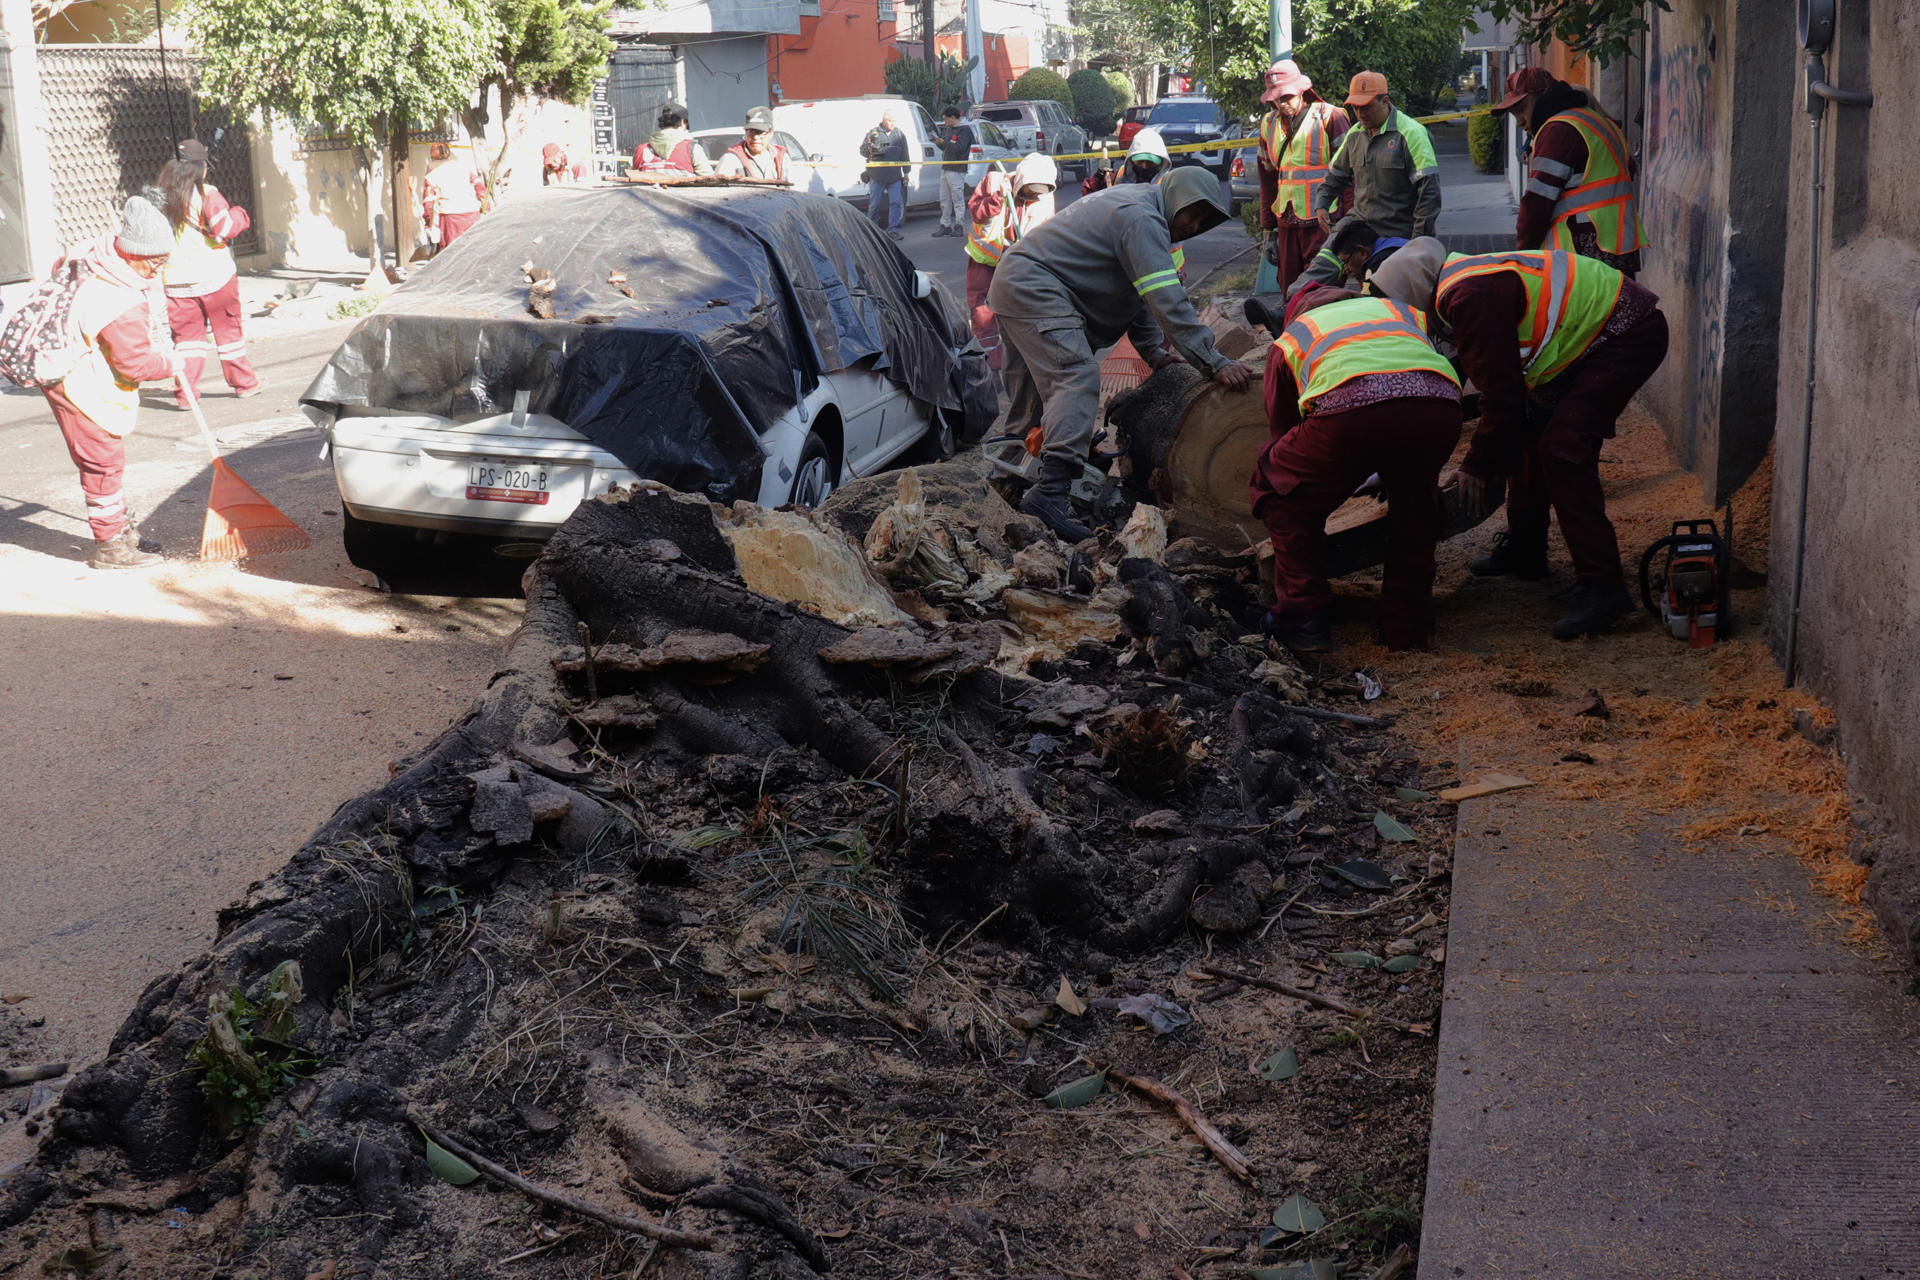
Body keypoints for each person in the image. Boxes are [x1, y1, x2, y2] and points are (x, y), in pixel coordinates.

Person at [1370, 240, 1670, 639]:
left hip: (1624, 335)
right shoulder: (1463, 282)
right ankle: (1526, 550)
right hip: (1598, 338)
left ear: (1412, 299)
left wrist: (1476, 465)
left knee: (1564, 451)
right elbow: (1475, 389)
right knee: (1531, 441)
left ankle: (1603, 586)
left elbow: (1502, 400)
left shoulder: (1467, 296)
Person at [988, 166, 1251, 541]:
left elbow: (1140, 295)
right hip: (1034, 286)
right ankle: (1050, 494)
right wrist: (1214, 361)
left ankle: (1006, 487)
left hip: (1016, 283)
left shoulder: (1139, 209)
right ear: (1175, 196)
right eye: (1193, 211)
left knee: (1030, 398)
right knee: (1076, 377)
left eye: (1204, 220)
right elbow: (1165, 299)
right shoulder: (1141, 217)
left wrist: (1153, 354)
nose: (1194, 225)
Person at [1252, 283, 1463, 653]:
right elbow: (1405, 388)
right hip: (1441, 404)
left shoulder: (1292, 337)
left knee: (1277, 487)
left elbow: (1284, 436)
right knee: (1415, 504)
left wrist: (1326, 484)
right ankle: (1407, 628)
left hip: (1351, 408)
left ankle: (1303, 618)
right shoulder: (1398, 312)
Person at [43, 195, 184, 569]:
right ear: (133, 252)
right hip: (72, 376)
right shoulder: (119, 300)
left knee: (106, 457)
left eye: (164, 260)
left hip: (67, 354)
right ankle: (110, 547)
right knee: (102, 460)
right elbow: (133, 365)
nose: (159, 269)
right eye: (155, 261)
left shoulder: (97, 252)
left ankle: (120, 530)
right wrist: (171, 362)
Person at [1493, 67, 1647, 274]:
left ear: (1542, 96)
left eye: (1521, 109)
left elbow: (1536, 204)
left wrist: (1524, 255)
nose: (1520, 121)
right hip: (1616, 248)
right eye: (1514, 114)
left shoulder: (1559, 130)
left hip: (1584, 252)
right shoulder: (1597, 122)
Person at [155, 139, 262, 407]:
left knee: (187, 341)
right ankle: (244, 383)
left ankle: (186, 394)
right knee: (228, 334)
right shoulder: (207, 194)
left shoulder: (160, 197)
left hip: (177, 282)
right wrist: (239, 214)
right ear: (200, 167)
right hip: (215, 276)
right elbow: (224, 229)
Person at [1256, 59, 1350, 295]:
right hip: (1286, 222)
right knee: (1290, 290)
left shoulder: (1331, 117)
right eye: (1276, 98)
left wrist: (1348, 223)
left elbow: (1351, 176)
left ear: (1301, 90)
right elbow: (1267, 182)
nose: (1281, 103)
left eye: (1286, 96)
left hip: (1325, 223)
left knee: (1321, 291)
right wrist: (1268, 231)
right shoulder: (1268, 124)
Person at [1315, 72, 1440, 241]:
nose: (1360, 114)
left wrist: (1418, 241)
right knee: (1324, 262)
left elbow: (1429, 193)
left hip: (1398, 234)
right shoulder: (1354, 135)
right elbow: (1335, 175)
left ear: (1385, 101)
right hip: (1360, 226)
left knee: (1383, 266)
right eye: (1355, 108)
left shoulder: (1412, 133)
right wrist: (1321, 204)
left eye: (1366, 107)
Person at [964, 153, 1058, 371]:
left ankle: (1021, 363)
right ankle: (989, 365)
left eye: (1039, 192)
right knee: (983, 313)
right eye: (1030, 189)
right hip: (985, 262)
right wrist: (995, 199)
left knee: (1021, 311)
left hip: (1019, 263)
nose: (1034, 195)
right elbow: (976, 211)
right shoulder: (995, 182)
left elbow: (1048, 234)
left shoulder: (1045, 198)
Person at [1284, 214, 1406, 299]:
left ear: (1362, 252)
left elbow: (1370, 305)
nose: (1346, 268)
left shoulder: (1376, 268)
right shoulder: (1396, 244)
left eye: (1346, 261)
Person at [423, 142, 485, 251]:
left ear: (432, 156)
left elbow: (428, 201)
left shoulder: (432, 172)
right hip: (471, 214)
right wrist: (484, 205)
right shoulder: (462, 166)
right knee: (473, 250)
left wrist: (429, 223)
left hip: (450, 218)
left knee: (451, 254)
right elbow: (480, 188)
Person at [860, 110, 909, 240]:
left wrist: (906, 173)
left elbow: (905, 155)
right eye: (890, 121)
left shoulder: (899, 134)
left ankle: (892, 230)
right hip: (877, 175)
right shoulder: (873, 133)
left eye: (894, 121)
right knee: (874, 204)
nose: (893, 123)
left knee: (896, 203)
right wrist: (869, 147)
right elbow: (862, 151)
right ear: (884, 120)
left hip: (894, 175)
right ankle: (873, 230)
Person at [1081, 127, 1168, 194]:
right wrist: (1099, 176)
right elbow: (1089, 196)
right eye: (1140, 161)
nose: (1144, 166)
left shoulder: (1168, 183)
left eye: (1150, 162)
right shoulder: (1119, 177)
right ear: (1131, 160)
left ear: (1161, 163)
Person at [633, 102, 713, 176]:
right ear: (682, 122)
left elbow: (634, 179)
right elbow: (709, 180)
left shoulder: (640, 150)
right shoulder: (692, 148)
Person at [715, 107, 789, 182]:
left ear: (770, 133)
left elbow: (794, 190)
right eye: (751, 132)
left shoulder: (782, 158)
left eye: (760, 132)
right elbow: (720, 190)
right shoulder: (731, 159)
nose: (755, 137)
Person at [934, 106, 974, 237]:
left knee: (957, 198)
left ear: (953, 117)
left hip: (957, 169)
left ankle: (959, 225)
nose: (945, 122)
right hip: (946, 167)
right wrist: (938, 142)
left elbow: (960, 148)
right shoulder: (949, 129)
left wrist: (944, 143)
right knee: (944, 198)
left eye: (946, 119)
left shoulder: (965, 130)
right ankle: (945, 224)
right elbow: (947, 147)